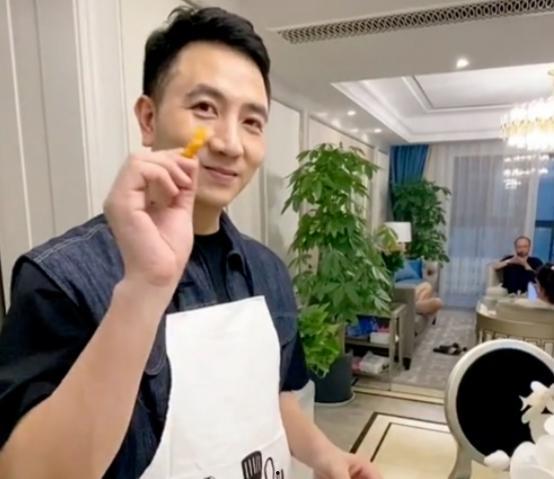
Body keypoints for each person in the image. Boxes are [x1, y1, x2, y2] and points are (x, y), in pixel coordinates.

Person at [0, 7, 380, 479]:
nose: (230, 143)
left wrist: (326, 456)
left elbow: (273, 398)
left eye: (252, 122)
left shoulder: (267, 270)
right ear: (148, 118)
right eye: (204, 108)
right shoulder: (61, 278)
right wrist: (144, 288)